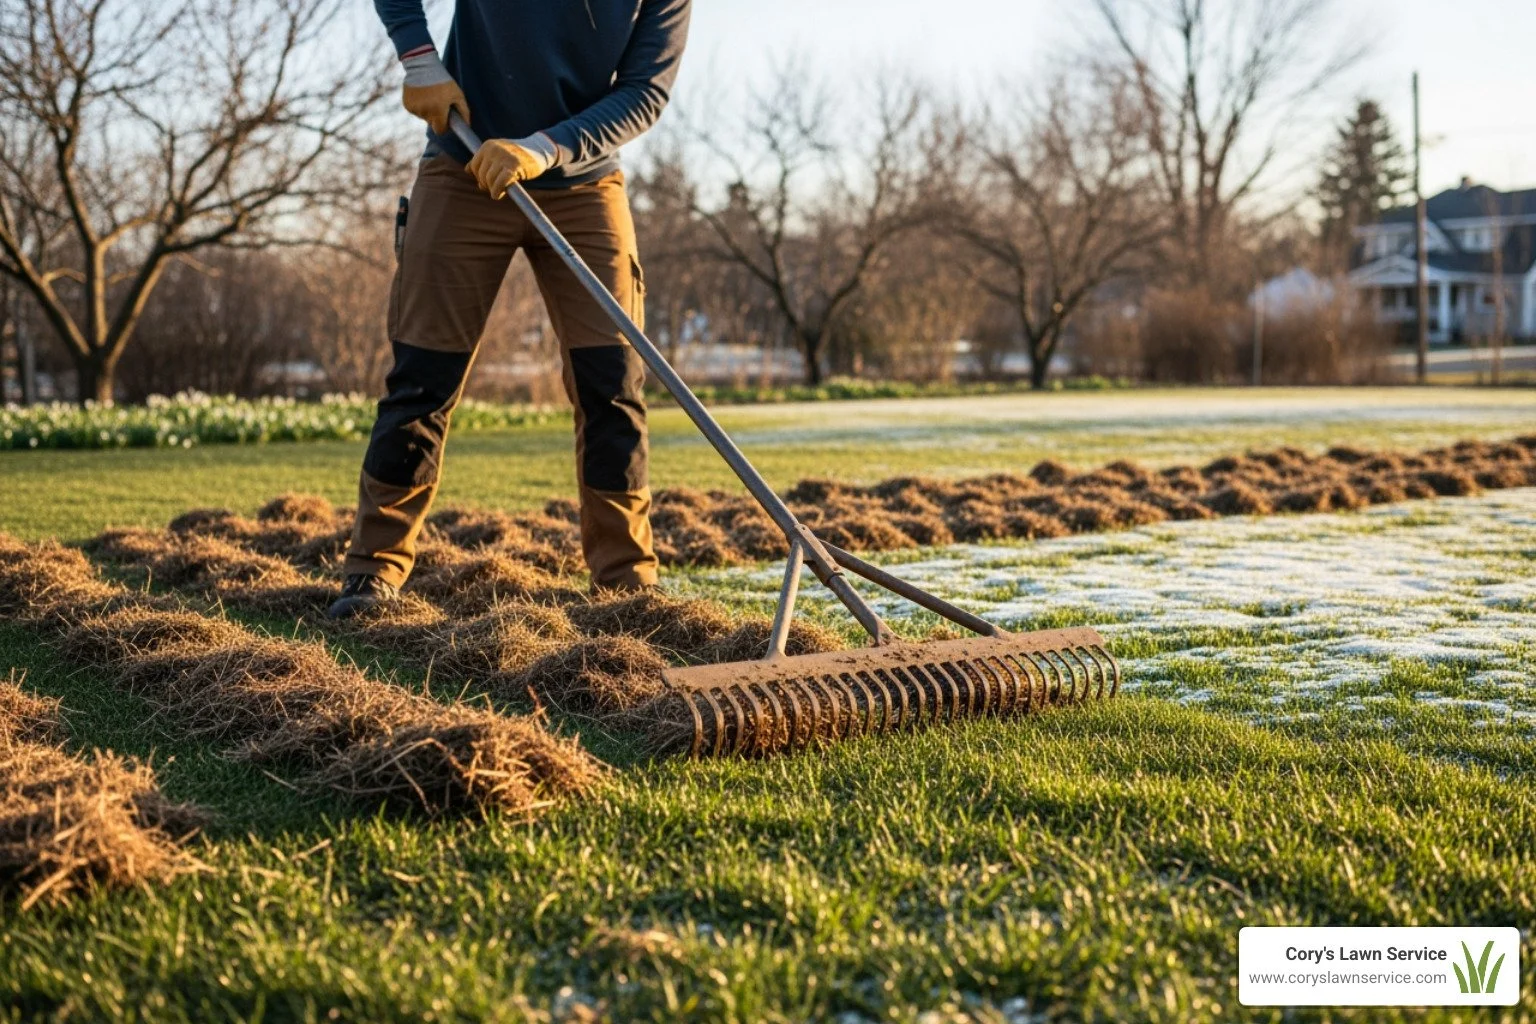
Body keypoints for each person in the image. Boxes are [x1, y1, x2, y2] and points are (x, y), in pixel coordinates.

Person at [330, 0, 693, 619]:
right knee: (424, 377)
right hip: (463, 165)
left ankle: (626, 581)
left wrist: (546, 147)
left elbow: (644, 93)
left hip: (583, 183)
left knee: (613, 382)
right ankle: (375, 568)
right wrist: (418, 57)